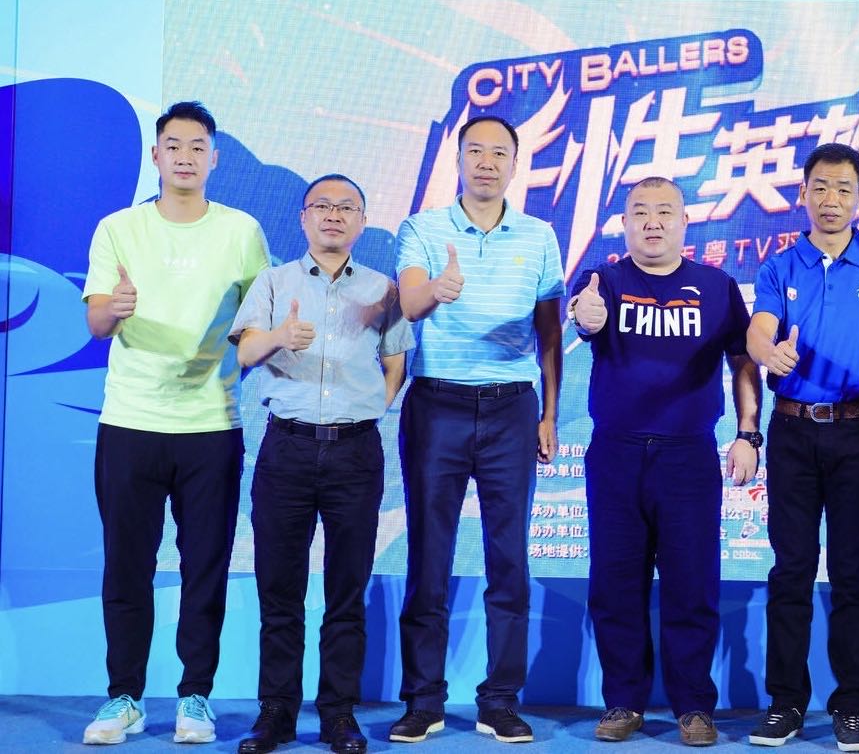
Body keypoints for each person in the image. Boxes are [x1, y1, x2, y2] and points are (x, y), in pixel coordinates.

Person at [80, 100, 270, 745]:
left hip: (212, 423)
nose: (185, 157)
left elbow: (258, 320)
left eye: (197, 147)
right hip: (130, 421)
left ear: (213, 158)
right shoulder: (118, 228)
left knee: (205, 565)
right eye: (174, 145)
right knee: (125, 566)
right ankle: (124, 697)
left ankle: (196, 697)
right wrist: (116, 308)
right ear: (156, 155)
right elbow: (96, 322)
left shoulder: (241, 230)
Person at [567, 177, 761, 747]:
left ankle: (694, 706)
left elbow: (743, 363)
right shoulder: (604, 280)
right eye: (640, 213)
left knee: (692, 584)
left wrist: (749, 434)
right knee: (615, 583)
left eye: (665, 212)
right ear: (624, 223)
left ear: (684, 222)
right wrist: (586, 313)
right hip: (616, 453)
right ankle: (623, 701)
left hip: (688, 455)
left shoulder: (718, 286)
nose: (652, 223)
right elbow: (583, 315)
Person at [391, 115, 564, 744]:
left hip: (511, 409)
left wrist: (549, 414)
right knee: (429, 556)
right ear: (458, 160)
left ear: (515, 164)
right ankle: (423, 700)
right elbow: (409, 303)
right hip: (436, 405)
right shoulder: (422, 228)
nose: (486, 162)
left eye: (499, 153)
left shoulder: (539, 235)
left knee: (508, 557)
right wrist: (438, 289)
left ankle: (500, 700)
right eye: (475, 152)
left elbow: (550, 334)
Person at [229, 174, 414, 754]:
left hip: (355, 452)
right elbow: (245, 351)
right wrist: (279, 335)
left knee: (346, 590)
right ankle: (276, 713)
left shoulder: (383, 289)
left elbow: (396, 361)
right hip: (286, 447)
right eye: (322, 206)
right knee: (279, 589)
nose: (334, 215)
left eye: (346, 207)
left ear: (361, 221)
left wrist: (373, 408)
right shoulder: (273, 281)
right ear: (303, 218)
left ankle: (338, 713)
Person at [745, 143, 859, 753]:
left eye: (843, 189)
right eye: (820, 187)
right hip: (791, 432)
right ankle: (785, 703)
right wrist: (770, 353)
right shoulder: (779, 267)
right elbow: (759, 330)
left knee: (851, 572)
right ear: (803, 194)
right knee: (790, 568)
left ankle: (852, 707)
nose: (831, 199)